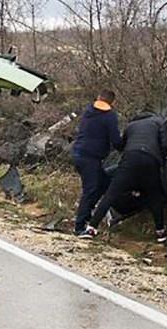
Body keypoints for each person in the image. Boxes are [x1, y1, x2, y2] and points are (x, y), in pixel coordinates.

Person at [84, 110, 167, 243]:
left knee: (111, 194)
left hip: (130, 159)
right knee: (155, 196)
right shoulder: (158, 121)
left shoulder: (131, 126)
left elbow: (121, 146)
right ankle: (160, 232)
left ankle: (91, 228)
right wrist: (162, 161)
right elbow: (165, 144)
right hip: (150, 159)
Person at [71, 89, 121, 238]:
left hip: (79, 154)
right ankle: (80, 227)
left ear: (99, 98)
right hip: (90, 158)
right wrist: (125, 145)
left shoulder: (89, 110)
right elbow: (115, 140)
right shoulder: (110, 116)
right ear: (112, 102)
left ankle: (89, 214)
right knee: (91, 189)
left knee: (104, 182)